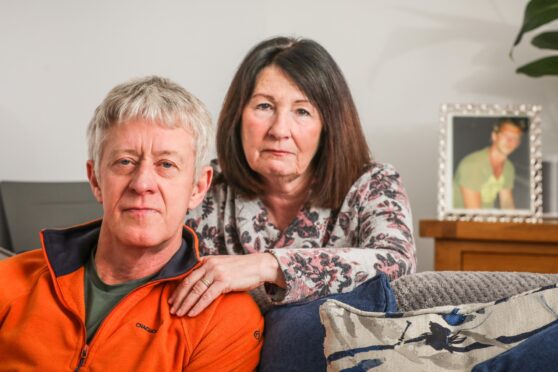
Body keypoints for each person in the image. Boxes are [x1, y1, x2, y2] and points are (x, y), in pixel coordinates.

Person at [0, 76, 263, 370]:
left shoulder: (225, 319)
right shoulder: (7, 281)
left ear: (198, 187)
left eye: (166, 165)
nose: (142, 184)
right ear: (95, 179)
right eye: (125, 161)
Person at [168, 36, 416, 317]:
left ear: (328, 126)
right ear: (237, 116)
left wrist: (267, 266)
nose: (279, 130)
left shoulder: (374, 183)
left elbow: (398, 262)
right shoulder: (203, 186)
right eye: (264, 106)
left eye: (302, 111)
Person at [453, 118, 526, 209]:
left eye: (515, 138)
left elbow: (507, 202)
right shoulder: (473, 165)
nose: (510, 141)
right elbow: (473, 214)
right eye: (505, 135)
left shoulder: (509, 168)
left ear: (518, 144)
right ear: (494, 136)